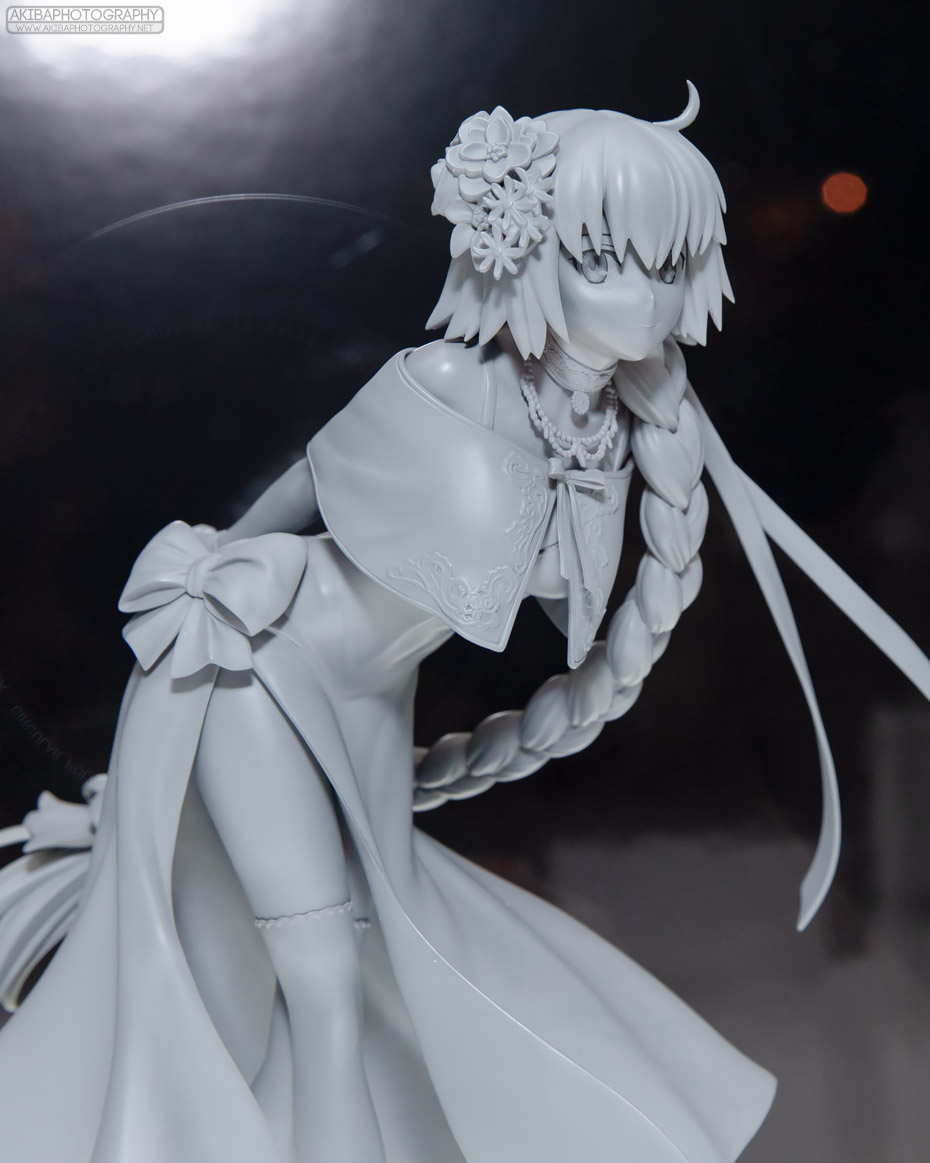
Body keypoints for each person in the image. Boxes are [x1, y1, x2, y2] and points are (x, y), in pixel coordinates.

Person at [1, 88, 927, 1163]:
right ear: (522, 253)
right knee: (321, 976)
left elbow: (557, 602)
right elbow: (309, 478)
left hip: (369, 708)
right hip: (254, 670)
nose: (643, 293)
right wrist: (213, 572)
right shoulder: (445, 377)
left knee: (358, 963)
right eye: (603, 259)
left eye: (667, 264)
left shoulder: (604, 432)